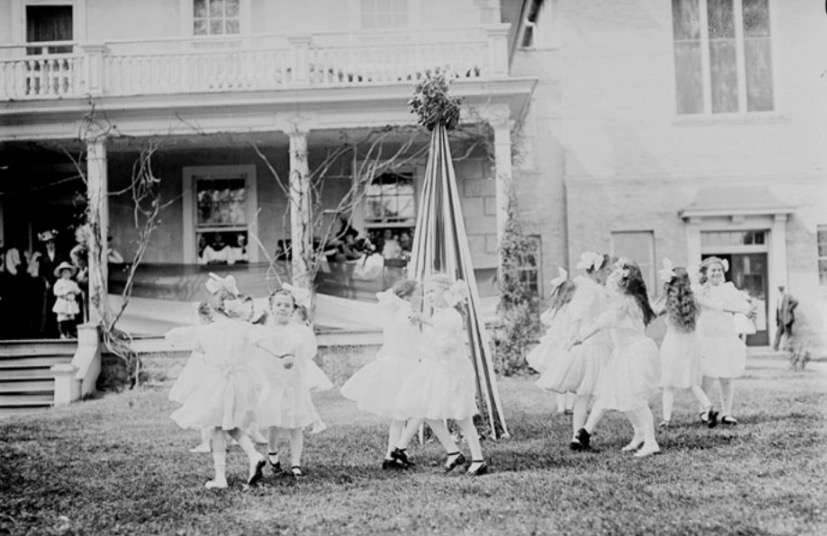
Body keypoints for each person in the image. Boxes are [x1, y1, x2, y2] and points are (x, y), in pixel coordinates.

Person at [166, 277, 267, 490]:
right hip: (239, 383)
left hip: (218, 384)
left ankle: (222, 475)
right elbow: (259, 344)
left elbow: (194, 347)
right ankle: (252, 455)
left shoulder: (207, 331)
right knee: (226, 425)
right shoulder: (242, 328)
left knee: (218, 427)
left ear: (212, 309)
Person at [391, 274, 488, 476]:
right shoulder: (440, 314)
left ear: (445, 292)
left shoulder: (452, 315)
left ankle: (478, 459)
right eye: (426, 293)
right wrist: (423, 322)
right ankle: (453, 451)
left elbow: (446, 344)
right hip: (439, 369)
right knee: (428, 411)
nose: (428, 297)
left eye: (432, 292)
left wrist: (425, 345)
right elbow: (436, 328)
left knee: (462, 415)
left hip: (452, 371)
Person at [571, 259, 661, 457]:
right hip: (623, 353)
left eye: (613, 278)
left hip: (634, 353)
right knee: (624, 396)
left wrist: (580, 337)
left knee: (637, 398)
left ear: (622, 283)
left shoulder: (625, 303)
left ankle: (651, 441)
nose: (609, 282)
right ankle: (639, 435)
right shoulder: (627, 300)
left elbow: (603, 322)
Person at [341, 279, 423, 469]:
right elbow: (410, 343)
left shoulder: (394, 311)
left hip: (393, 363)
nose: (421, 296)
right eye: (418, 293)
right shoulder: (407, 313)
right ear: (407, 295)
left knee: (399, 414)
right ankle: (399, 450)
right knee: (420, 409)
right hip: (405, 365)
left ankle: (390, 456)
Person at [254, 287, 331, 478]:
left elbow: (309, 352)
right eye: (278, 304)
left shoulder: (300, 331)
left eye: (287, 305)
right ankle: (272, 453)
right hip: (275, 383)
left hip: (295, 383)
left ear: (293, 309)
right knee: (275, 422)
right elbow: (260, 356)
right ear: (271, 307)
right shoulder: (264, 332)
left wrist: (295, 354)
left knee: (296, 424)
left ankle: (296, 463)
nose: (282, 308)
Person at [548, 252, 614, 451]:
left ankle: (580, 434)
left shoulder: (594, 288)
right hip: (593, 343)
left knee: (586, 393)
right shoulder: (588, 288)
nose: (608, 273)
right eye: (607, 270)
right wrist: (572, 337)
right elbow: (577, 315)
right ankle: (582, 432)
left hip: (597, 341)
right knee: (598, 390)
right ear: (597, 270)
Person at [653, 259, 718, 428]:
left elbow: (652, 312)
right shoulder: (695, 299)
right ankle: (708, 406)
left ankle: (666, 419)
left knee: (668, 384)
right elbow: (712, 305)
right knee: (693, 383)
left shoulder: (668, 302)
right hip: (691, 344)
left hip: (672, 345)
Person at [695, 257, 752, 426]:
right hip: (709, 335)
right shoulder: (701, 291)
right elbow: (715, 306)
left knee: (727, 376)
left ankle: (727, 412)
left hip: (726, 334)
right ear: (705, 273)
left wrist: (746, 309)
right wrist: (739, 309)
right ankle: (704, 410)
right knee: (708, 374)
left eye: (719, 270)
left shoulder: (729, 288)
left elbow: (740, 303)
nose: (717, 273)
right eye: (713, 270)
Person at [528, 268, 580, 422]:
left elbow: (576, 325)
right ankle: (561, 407)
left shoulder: (573, 309)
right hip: (560, 344)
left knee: (572, 375)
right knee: (560, 375)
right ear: (566, 293)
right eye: (571, 293)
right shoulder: (558, 309)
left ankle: (570, 406)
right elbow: (546, 319)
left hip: (570, 343)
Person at [52, 262, 81, 339]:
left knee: (70, 319)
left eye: (68, 272)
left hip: (70, 303)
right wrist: (65, 292)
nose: (66, 274)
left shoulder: (72, 283)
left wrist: (73, 291)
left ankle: (70, 333)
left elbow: (78, 291)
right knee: (63, 319)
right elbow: (56, 292)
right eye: (64, 272)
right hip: (63, 302)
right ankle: (63, 333)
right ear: (61, 274)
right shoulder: (59, 282)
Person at [773, 285, 798, 351]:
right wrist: (778, 318)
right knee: (778, 333)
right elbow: (778, 309)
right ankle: (775, 348)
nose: (781, 291)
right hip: (781, 318)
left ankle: (790, 348)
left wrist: (789, 308)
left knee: (788, 334)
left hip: (787, 318)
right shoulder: (779, 298)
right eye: (779, 290)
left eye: (782, 290)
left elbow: (795, 301)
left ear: (784, 290)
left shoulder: (788, 296)